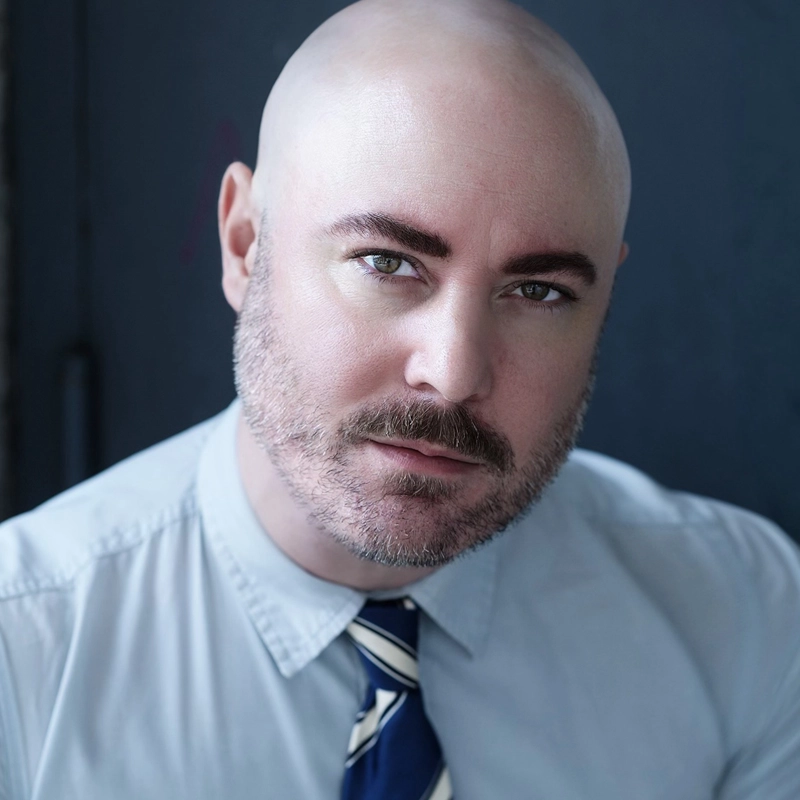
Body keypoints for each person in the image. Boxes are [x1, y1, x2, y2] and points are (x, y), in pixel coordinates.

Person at [1, 0, 798, 797]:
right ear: (245, 245)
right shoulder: (25, 650)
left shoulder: (746, 615)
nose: (452, 373)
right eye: (386, 263)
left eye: (538, 290)